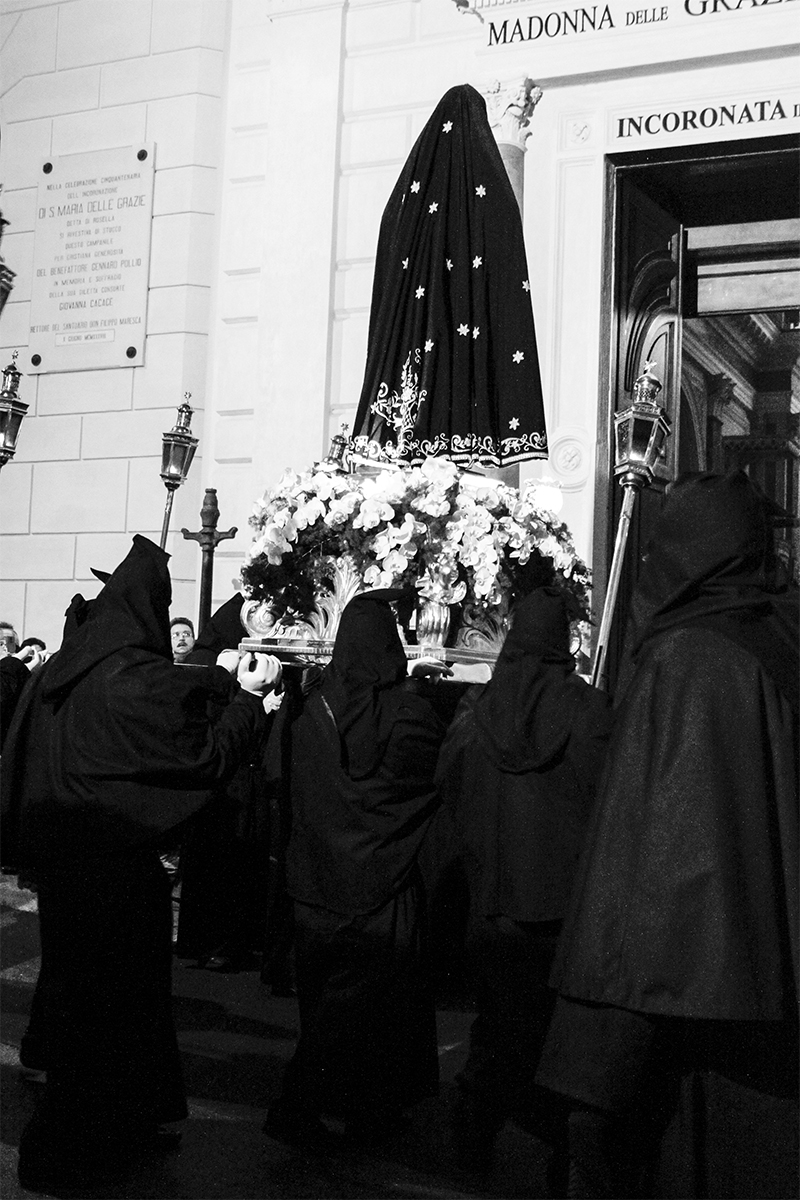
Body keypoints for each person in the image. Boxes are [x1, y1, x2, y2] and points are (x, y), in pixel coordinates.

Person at [535, 471, 799, 1200]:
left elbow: (652, 864)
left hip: (680, 1019)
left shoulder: (686, 660)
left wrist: (597, 1059)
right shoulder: (779, 635)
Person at [0, 535, 282, 1195]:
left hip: (68, 871)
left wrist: (223, 680)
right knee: (108, 1014)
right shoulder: (129, 677)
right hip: (115, 875)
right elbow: (200, 759)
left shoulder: (64, 670)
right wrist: (247, 701)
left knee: (102, 1009)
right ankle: (67, 1151)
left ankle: (123, 1125)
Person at [435, 587, 613, 1176]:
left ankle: (473, 1136)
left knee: (497, 1026)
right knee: (558, 1035)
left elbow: (450, 787)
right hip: (564, 905)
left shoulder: (476, 709)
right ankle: (559, 1152)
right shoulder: (589, 710)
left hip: (493, 901)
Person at [265, 589, 449, 1146]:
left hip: (316, 881)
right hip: (381, 882)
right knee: (378, 1010)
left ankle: (349, 1106)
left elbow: (281, 780)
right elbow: (427, 783)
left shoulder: (308, 708)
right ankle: (337, 1107)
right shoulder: (410, 713)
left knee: (326, 1002)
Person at [175, 593, 277, 972]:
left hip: (219, 783)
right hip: (230, 778)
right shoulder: (219, 662)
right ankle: (221, 945)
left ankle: (203, 942)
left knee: (213, 865)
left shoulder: (207, 659)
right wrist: (255, 703)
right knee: (227, 865)